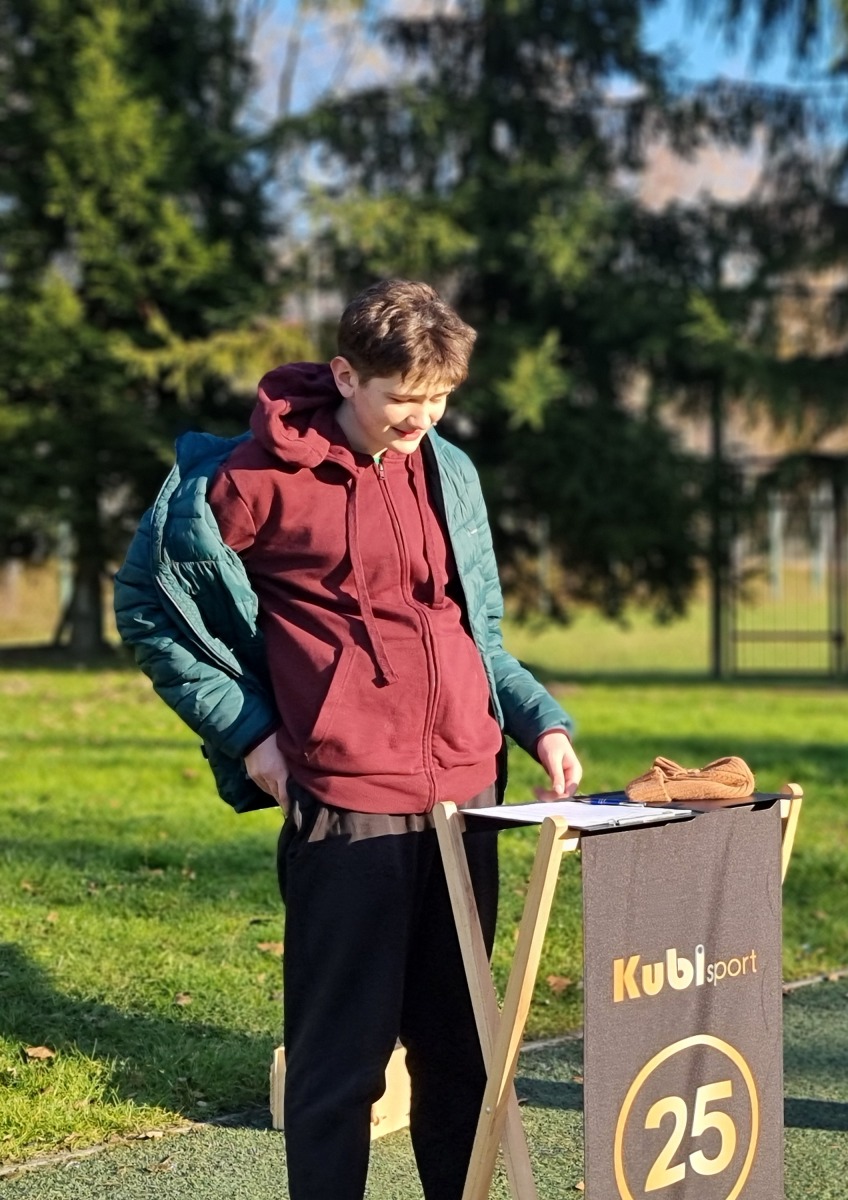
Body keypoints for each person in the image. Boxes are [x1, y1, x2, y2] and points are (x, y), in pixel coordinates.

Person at [114, 279, 582, 1199]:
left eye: (440, 398)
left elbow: (475, 628)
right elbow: (150, 605)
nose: (424, 419)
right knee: (341, 1065)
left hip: (467, 793)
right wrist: (251, 735)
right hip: (346, 800)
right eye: (404, 398)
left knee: (462, 1052)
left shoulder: (448, 469)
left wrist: (540, 721)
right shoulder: (248, 479)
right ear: (344, 375)